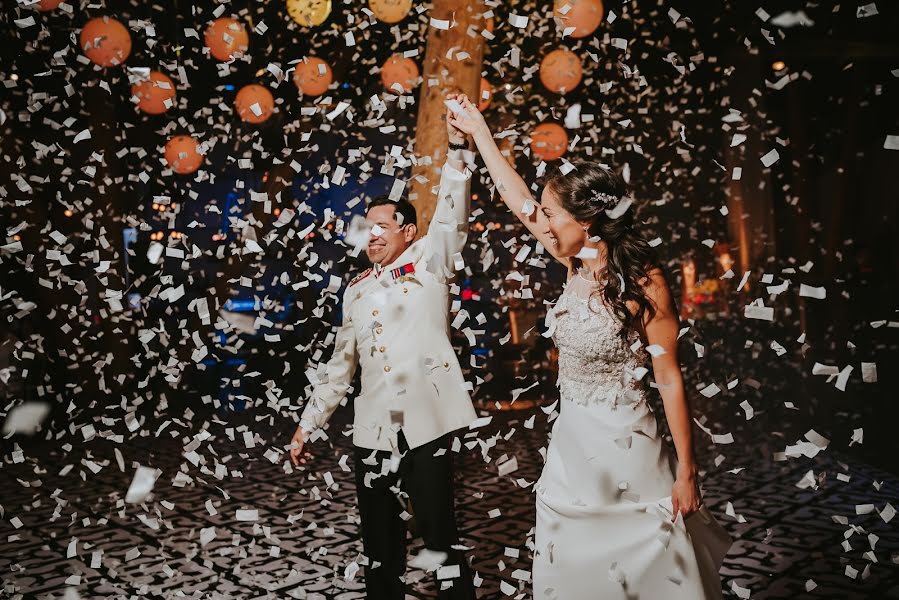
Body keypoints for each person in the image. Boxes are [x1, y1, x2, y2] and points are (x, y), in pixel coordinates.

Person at [447, 94, 731, 599]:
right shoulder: (570, 261)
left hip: (632, 453)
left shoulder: (646, 284)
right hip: (572, 453)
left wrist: (687, 472)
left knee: (650, 573)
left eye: (554, 214)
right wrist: (480, 131)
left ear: (589, 221)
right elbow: (518, 199)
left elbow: (668, 378)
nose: (545, 221)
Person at [289, 93, 479, 600]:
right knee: (379, 547)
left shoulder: (432, 261)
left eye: (383, 226)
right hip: (372, 433)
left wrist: (459, 148)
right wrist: (308, 424)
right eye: (368, 227)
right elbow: (339, 368)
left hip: (426, 426)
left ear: (408, 232)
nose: (373, 234)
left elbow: (453, 210)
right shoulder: (354, 290)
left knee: (440, 538)